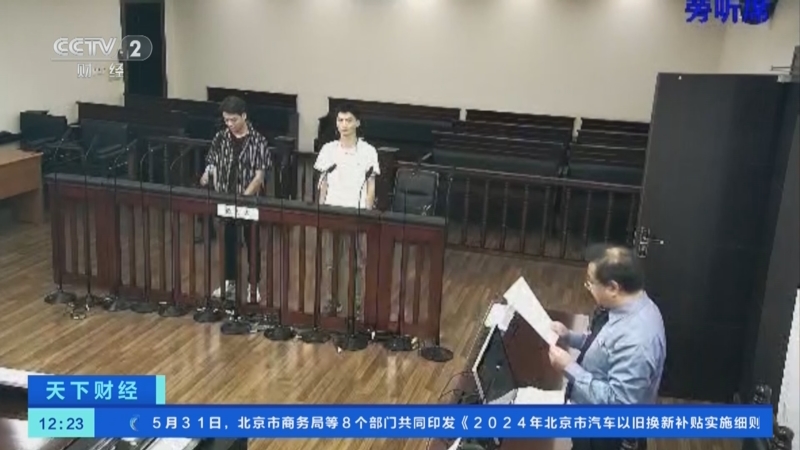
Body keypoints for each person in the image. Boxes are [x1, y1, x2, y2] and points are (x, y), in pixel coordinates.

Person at [548, 244, 666, 450]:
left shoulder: (637, 341)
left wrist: (569, 368)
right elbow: (603, 347)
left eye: (591, 283)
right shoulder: (627, 307)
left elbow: (619, 405)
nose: (588, 288)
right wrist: (569, 337)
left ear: (613, 288)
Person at [200, 96, 269, 303]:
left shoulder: (258, 141)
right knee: (227, 243)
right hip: (225, 198)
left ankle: (253, 285)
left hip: (248, 201)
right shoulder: (220, 138)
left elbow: (259, 176)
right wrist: (207, 174)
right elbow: (212, 162)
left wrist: (244, 198)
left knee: (252, 244)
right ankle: (229, 282)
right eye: (226, 120)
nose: (229, 124)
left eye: (233, 120)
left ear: (244, 116)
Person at [313, 103, 380, 313]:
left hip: (357, 213)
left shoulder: (368, 151)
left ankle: (357, 304)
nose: (344, 125)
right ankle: (331, 302)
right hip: (332, 212)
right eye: (340, 120)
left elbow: (371, 186)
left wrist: (367, 212)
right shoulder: (328, 149)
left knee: (358, 263)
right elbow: (323, 183)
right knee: (331, 263)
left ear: (357, 123)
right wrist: (320, 209)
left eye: (349, 120)